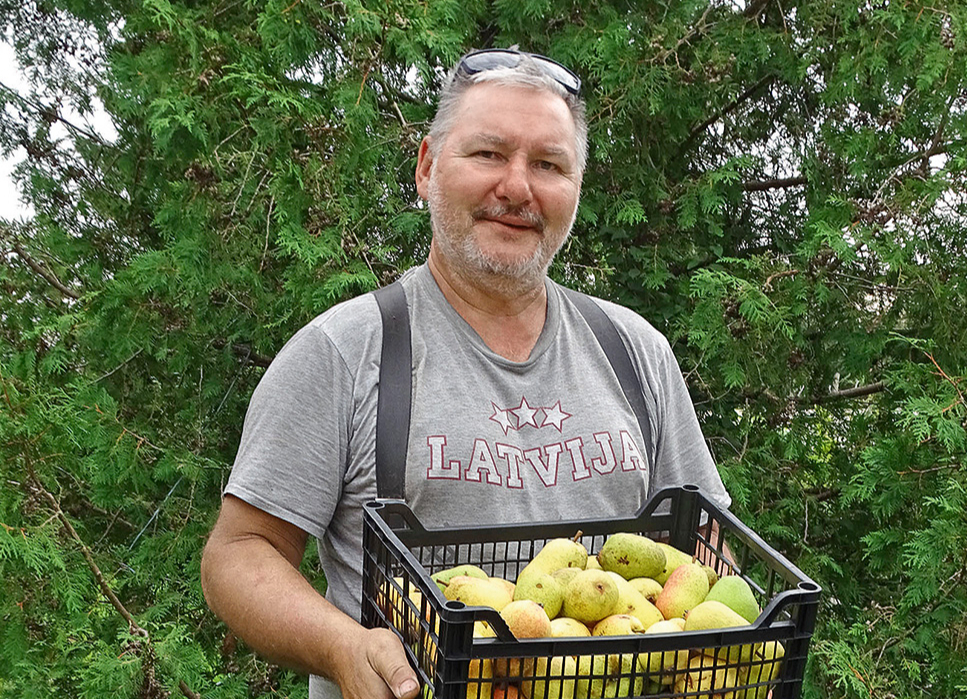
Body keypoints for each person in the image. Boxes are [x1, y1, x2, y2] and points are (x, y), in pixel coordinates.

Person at [200, 48, 731, 699]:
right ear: (427, 168)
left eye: (548, 165)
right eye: (487, 154)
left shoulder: (636, 352)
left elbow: (706, 542)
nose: (517, 187)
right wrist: (342, 646)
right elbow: (240, 552)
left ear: (575, 189)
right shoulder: (344, 353)